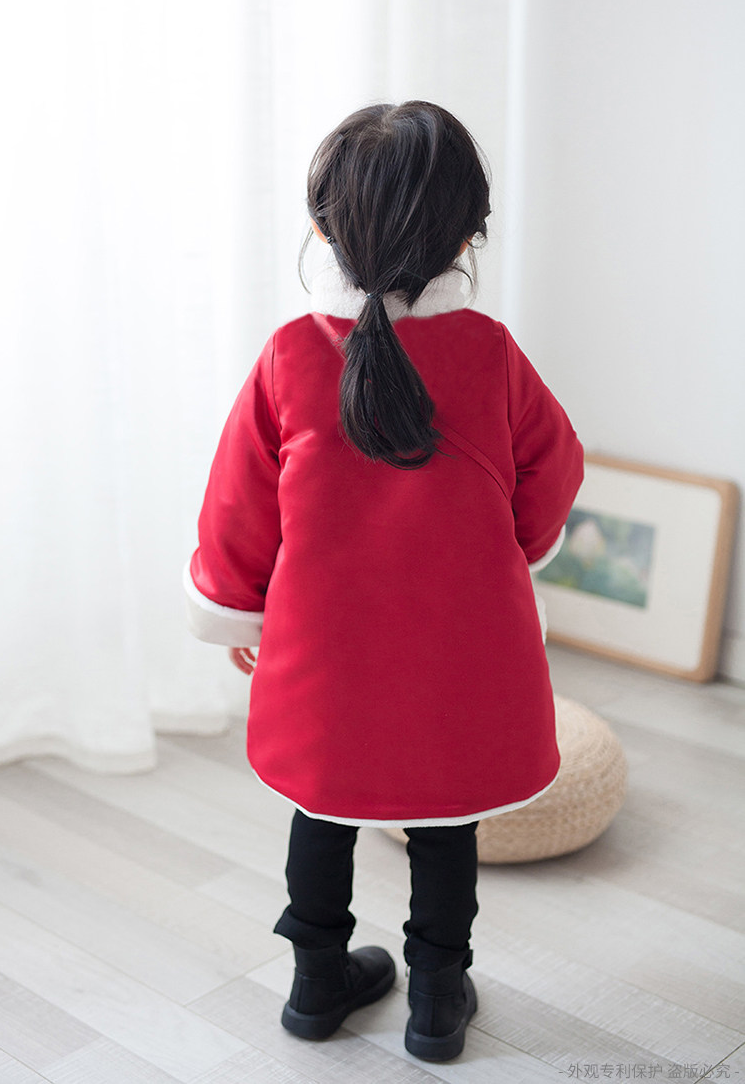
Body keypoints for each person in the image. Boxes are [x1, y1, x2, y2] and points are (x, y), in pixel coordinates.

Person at [184, 101, 584, 1062]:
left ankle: (315, 984)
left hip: (324, 656)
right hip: (462, 651)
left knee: (321, 811)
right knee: (445, 820)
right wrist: (514, 555)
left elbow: (237, 506)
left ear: (322, 228)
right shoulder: (490, 355)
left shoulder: (289, 355)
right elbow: (555, 466)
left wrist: (242, 613)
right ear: (469, 233)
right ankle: (437, 1001)